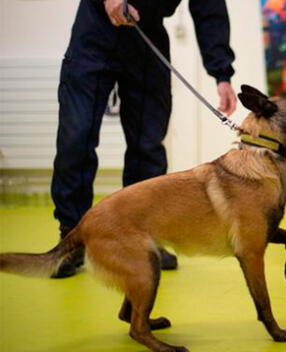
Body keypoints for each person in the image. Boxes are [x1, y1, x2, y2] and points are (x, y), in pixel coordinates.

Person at [51, 0, 237, 278]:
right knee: (76, 139)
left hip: (146, 37)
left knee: (147, 146)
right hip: (94, 35)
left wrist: (222, 74)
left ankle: (143, 236)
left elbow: (210, 10)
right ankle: (71, 238)